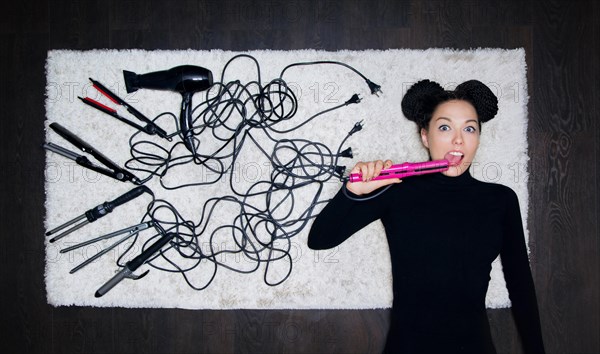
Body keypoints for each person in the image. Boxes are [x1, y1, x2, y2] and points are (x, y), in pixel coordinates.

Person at [307, 79, 545, 353]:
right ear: (424, 136)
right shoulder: (396, 189)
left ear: (478, 137)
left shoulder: (500, 200)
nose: (458, 139)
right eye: (445, 127)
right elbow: (320, 239)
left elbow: (520, 285)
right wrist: (350, 192)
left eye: (469, 128)